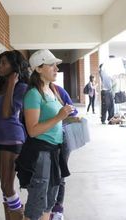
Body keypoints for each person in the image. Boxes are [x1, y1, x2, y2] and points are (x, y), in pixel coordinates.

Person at [16, 49, 73, 220]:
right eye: (51, 65)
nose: (56, 69)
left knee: (49, 201)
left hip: (54, 151)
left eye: (56, 65)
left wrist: (66, 117)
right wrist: (59, 117)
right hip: (40, 154)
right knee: (36, 204)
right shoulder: (33, 94)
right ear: (39, 69)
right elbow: (32, 130)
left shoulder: (52, 91)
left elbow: (54, 121)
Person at [0, 50, 29, 220]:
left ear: (14, 67)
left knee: (7, 186)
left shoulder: (21, 87)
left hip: (12, 138)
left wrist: (11, 83)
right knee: (4, 188)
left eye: (3, 63)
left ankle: (19, 216)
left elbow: (6, 113)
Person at [50, 84, 80, 220]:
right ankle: (47, 207)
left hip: (62, 138)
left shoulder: (58, 90)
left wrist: (60, 116)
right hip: (42, 140)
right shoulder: (33, 91)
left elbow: (73, 111)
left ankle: (57, 208)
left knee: (60, 173)